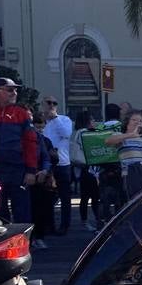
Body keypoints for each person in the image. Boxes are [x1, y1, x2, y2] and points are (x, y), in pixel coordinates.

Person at [0, 76, 37, 223]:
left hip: (17, 170)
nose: (15, 93)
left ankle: (26, 243)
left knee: (22, 211)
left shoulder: (21, 114)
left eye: (16, 90)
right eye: (10, 90)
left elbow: (30, 143)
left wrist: (31, 170)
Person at [42, 96, 73, 235]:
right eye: (48, 103)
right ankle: (49, 225)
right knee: (46, 197)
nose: (51, 105)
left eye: (54, 103)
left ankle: (65, 225)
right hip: (45, 164)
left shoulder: (64, 120)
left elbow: (66, 134)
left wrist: (55, 118)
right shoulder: (40, 121)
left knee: (65, 197)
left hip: (62, 163)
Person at [29, 113, 56, 249]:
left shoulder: (43, 140)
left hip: (40, 177)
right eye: (37, 126)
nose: (39, 129)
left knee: (40, 209)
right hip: (29, 175)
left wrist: (45, 170)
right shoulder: (34, 138)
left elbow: (49, 158)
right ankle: (32, 237)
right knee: (29, 209)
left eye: (41, 127)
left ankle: (39, 235)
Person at [71, 110, 102, 231]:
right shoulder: (85, 133)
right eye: (93, 120)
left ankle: (86, 220)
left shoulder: (75, 133)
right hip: (89, 168)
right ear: (87, 121)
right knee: (94, 196)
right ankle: (97, 220)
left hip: (81, 169)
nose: (94, 122)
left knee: (85, 197)